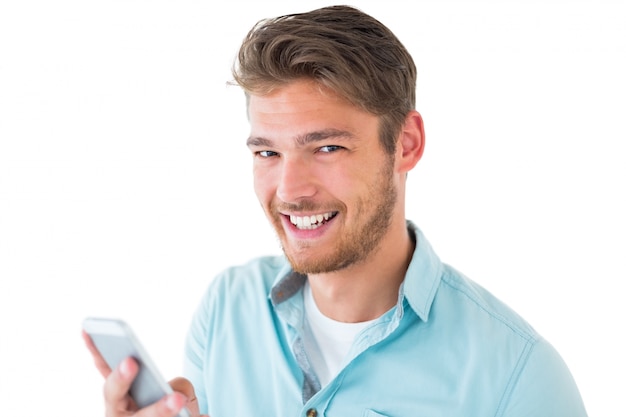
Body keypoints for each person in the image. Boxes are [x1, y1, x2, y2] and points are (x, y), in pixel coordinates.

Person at [84, 5, 587, 417]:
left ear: (406, 145)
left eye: (326, 148)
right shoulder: (226, 310)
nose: (290, 189)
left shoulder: (519, 377)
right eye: (267, 152)